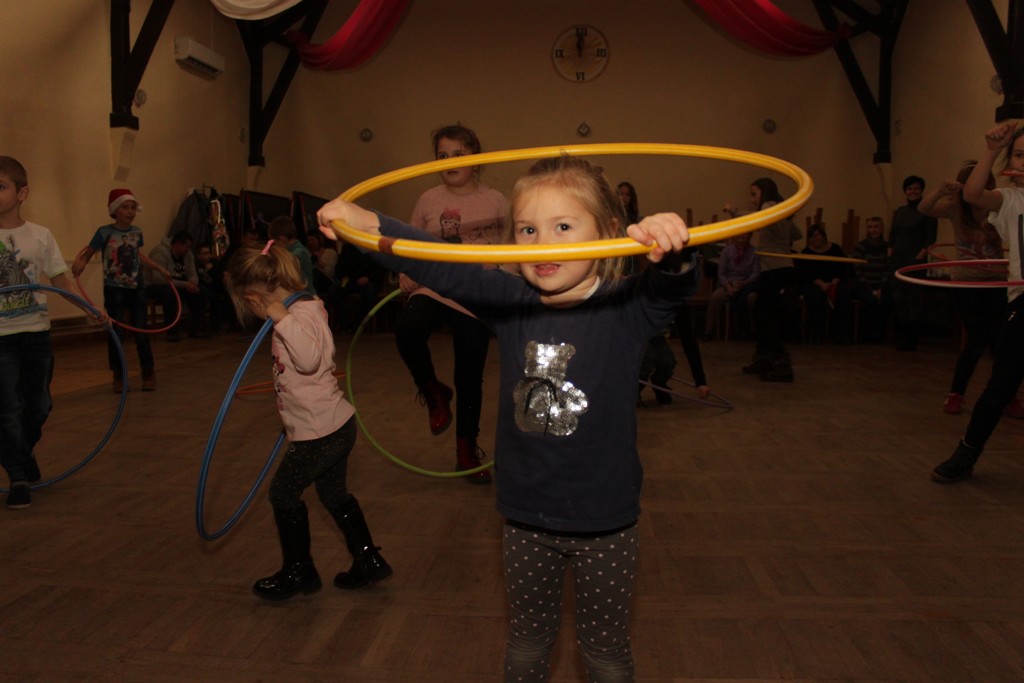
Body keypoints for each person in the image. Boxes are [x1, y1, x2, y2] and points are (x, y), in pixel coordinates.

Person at [318, 154, 696, 683]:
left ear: (610, 233)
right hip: (524, 517)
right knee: (526, 643)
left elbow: (673, 285)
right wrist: (373, 225)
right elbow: (439, 263)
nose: (542, 245)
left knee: (606, 655)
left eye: (564, 227)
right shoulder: (512, 299)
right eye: (528, 230)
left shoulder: (628, 307)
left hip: (606, 522)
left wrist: (670, 247)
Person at [224, 241, 392, 598]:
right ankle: (369, 560)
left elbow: (309, 359)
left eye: (249, 304)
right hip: (330, 424)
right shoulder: (304, 310)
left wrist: (279, 318)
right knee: (333, 494)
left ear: (255, 295)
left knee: (283, 493)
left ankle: (299, 571)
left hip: (321, 432)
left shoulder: (298, 315)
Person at [397, 124, 509, 483]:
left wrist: (497, 263)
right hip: (434, 285)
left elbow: (512, 248)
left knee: (470, 373)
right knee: (409, 329)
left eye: (457, 154)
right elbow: (410, 242)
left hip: (474, 292)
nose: (449, 162)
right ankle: (433, 391)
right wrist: (407, 269)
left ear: (476, 159)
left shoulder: (496, 200)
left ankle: (465, 449)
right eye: (442, 156)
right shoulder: (428, 199)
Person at [932, 121, 1024, 483]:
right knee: (1000, 385)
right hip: (1023, 300)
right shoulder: (1010, 199)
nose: (1023, 161)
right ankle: (966, 454)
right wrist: (990, 149)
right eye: (1018, 154)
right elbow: (971, 194)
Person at [0, 156, 94, 509]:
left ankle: (20, 453)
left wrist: (90, 309)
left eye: (1, 186)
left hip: (36, 333)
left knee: (39, 404)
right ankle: (18, 476)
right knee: (8, 408)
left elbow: (60, 279)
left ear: (22, 192)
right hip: (0, 338)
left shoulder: (40, 235)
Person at [918, 161, 1024, 418]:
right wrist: (942, 191)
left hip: (996, 281)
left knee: (1001, 342)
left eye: (986, 181)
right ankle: (956, 393)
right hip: (966, 282)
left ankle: (1008, 396)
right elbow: (924, 209)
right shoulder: (956, 208)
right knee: (977, 339)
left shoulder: (995, 206)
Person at [72, 189, 169, 392]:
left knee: (141, 331)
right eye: (125, 207)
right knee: (116, 332)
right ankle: (118, 374)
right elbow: (88, 253)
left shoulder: (136, 233)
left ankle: (148, 371)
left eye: (133, 207)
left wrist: (159, 268)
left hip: (136, 287)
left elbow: (138, 255)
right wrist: (80, 263)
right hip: (114, 288)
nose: (130, 211)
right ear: (115, 210)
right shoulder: (104, 232)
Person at [728, 178, 802, 381]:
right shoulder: (779, 210)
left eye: (754, 194)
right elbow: (797, 234)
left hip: (776, 269)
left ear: (765, 192)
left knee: (765, 315)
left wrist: (734, 213)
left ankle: (780, 364)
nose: (752, 200)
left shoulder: (770, 207)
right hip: (779, 268)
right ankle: (765, 359)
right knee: (763, 313)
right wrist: (781, 233)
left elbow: (754, 219)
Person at [889, 175, 938, 350]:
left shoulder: (928, 210)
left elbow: (930, 238)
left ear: (921, 190)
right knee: (898, 299)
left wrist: (919, 257)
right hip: (898, 261)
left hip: (915, 262)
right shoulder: (900, 211)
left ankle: (911, 341)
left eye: (916, 188)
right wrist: (891, 253)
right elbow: (892, 236)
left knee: (913, 302)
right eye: (909, 189)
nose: (912, 191)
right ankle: (899, 339)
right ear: (905, 191)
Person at [146, 230, 210, 341]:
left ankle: (195, 329)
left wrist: (193, 283)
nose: (189, 249)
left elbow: (192, 274)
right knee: (169, 294)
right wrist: (186, 285)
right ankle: (172, 332)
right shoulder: (160, 252)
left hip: (177, 285)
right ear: (177, 244)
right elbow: (158, 279)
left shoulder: (188, 255)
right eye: (187, 246)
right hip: (155, 285)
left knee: (201, 291)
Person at [798, 223, 852, 343]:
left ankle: (840, 334)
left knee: (843, 295)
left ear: (823, 236)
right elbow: (805, 273)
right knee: (815, 295)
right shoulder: (806, 252)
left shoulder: (836, 249)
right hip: (814, 283)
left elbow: (843, 268)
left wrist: (835, 281)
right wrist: (820, 283)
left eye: (816, 235)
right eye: (811, 236)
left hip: (834, 282)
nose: (814, 239)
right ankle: (817, 334)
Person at [704, 231, 759, 340]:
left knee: (753, 298)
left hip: (746, 284)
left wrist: (745, 283)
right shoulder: (727, 250)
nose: (742, 236)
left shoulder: (754, 252)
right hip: (728, 283)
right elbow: (721, 273)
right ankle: (709, 330)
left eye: (745, 234)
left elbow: (756, 273)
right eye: (740, 234)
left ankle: (753, 330)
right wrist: (728, 287)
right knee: (715, 297)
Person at [850, 216, 892, 343]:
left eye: (876, 226)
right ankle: (867, 336)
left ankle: (881, 336)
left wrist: (880, 288)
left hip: (881, 285)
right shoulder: (860, 247)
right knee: (871, 301)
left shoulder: (887, 247)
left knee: (887, 301)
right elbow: (858, 271)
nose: (873, 230)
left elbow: (888, 268)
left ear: (882, 228)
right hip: (863, 286)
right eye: (870, 227)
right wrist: (871, 290)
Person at [267, 216, 316, 296]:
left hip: (304, 296)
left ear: (282, 239)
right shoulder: (295, 252)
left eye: (274, 242)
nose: (274, 245)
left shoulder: (298, 254)